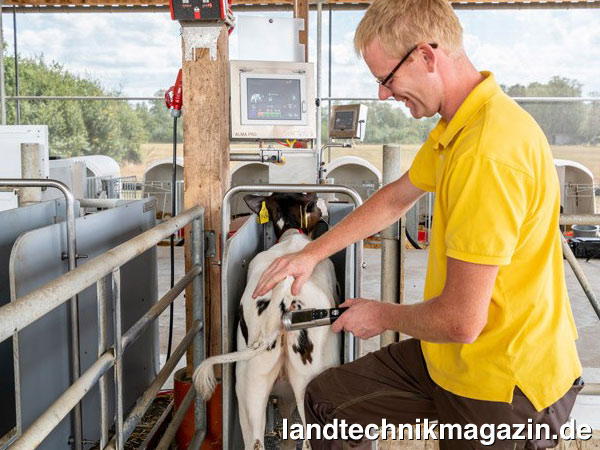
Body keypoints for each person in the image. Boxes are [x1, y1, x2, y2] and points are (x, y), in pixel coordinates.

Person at [252, 0, 583, 448]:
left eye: (387, 80)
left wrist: (379, 314)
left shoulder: (488, 153)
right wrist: (309, 254)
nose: (383, 95)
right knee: (329, 401)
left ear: (427, 56)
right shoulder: (457, 128)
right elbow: (395, 199)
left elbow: (461, 320)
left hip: (504, 384)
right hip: (454, 356)